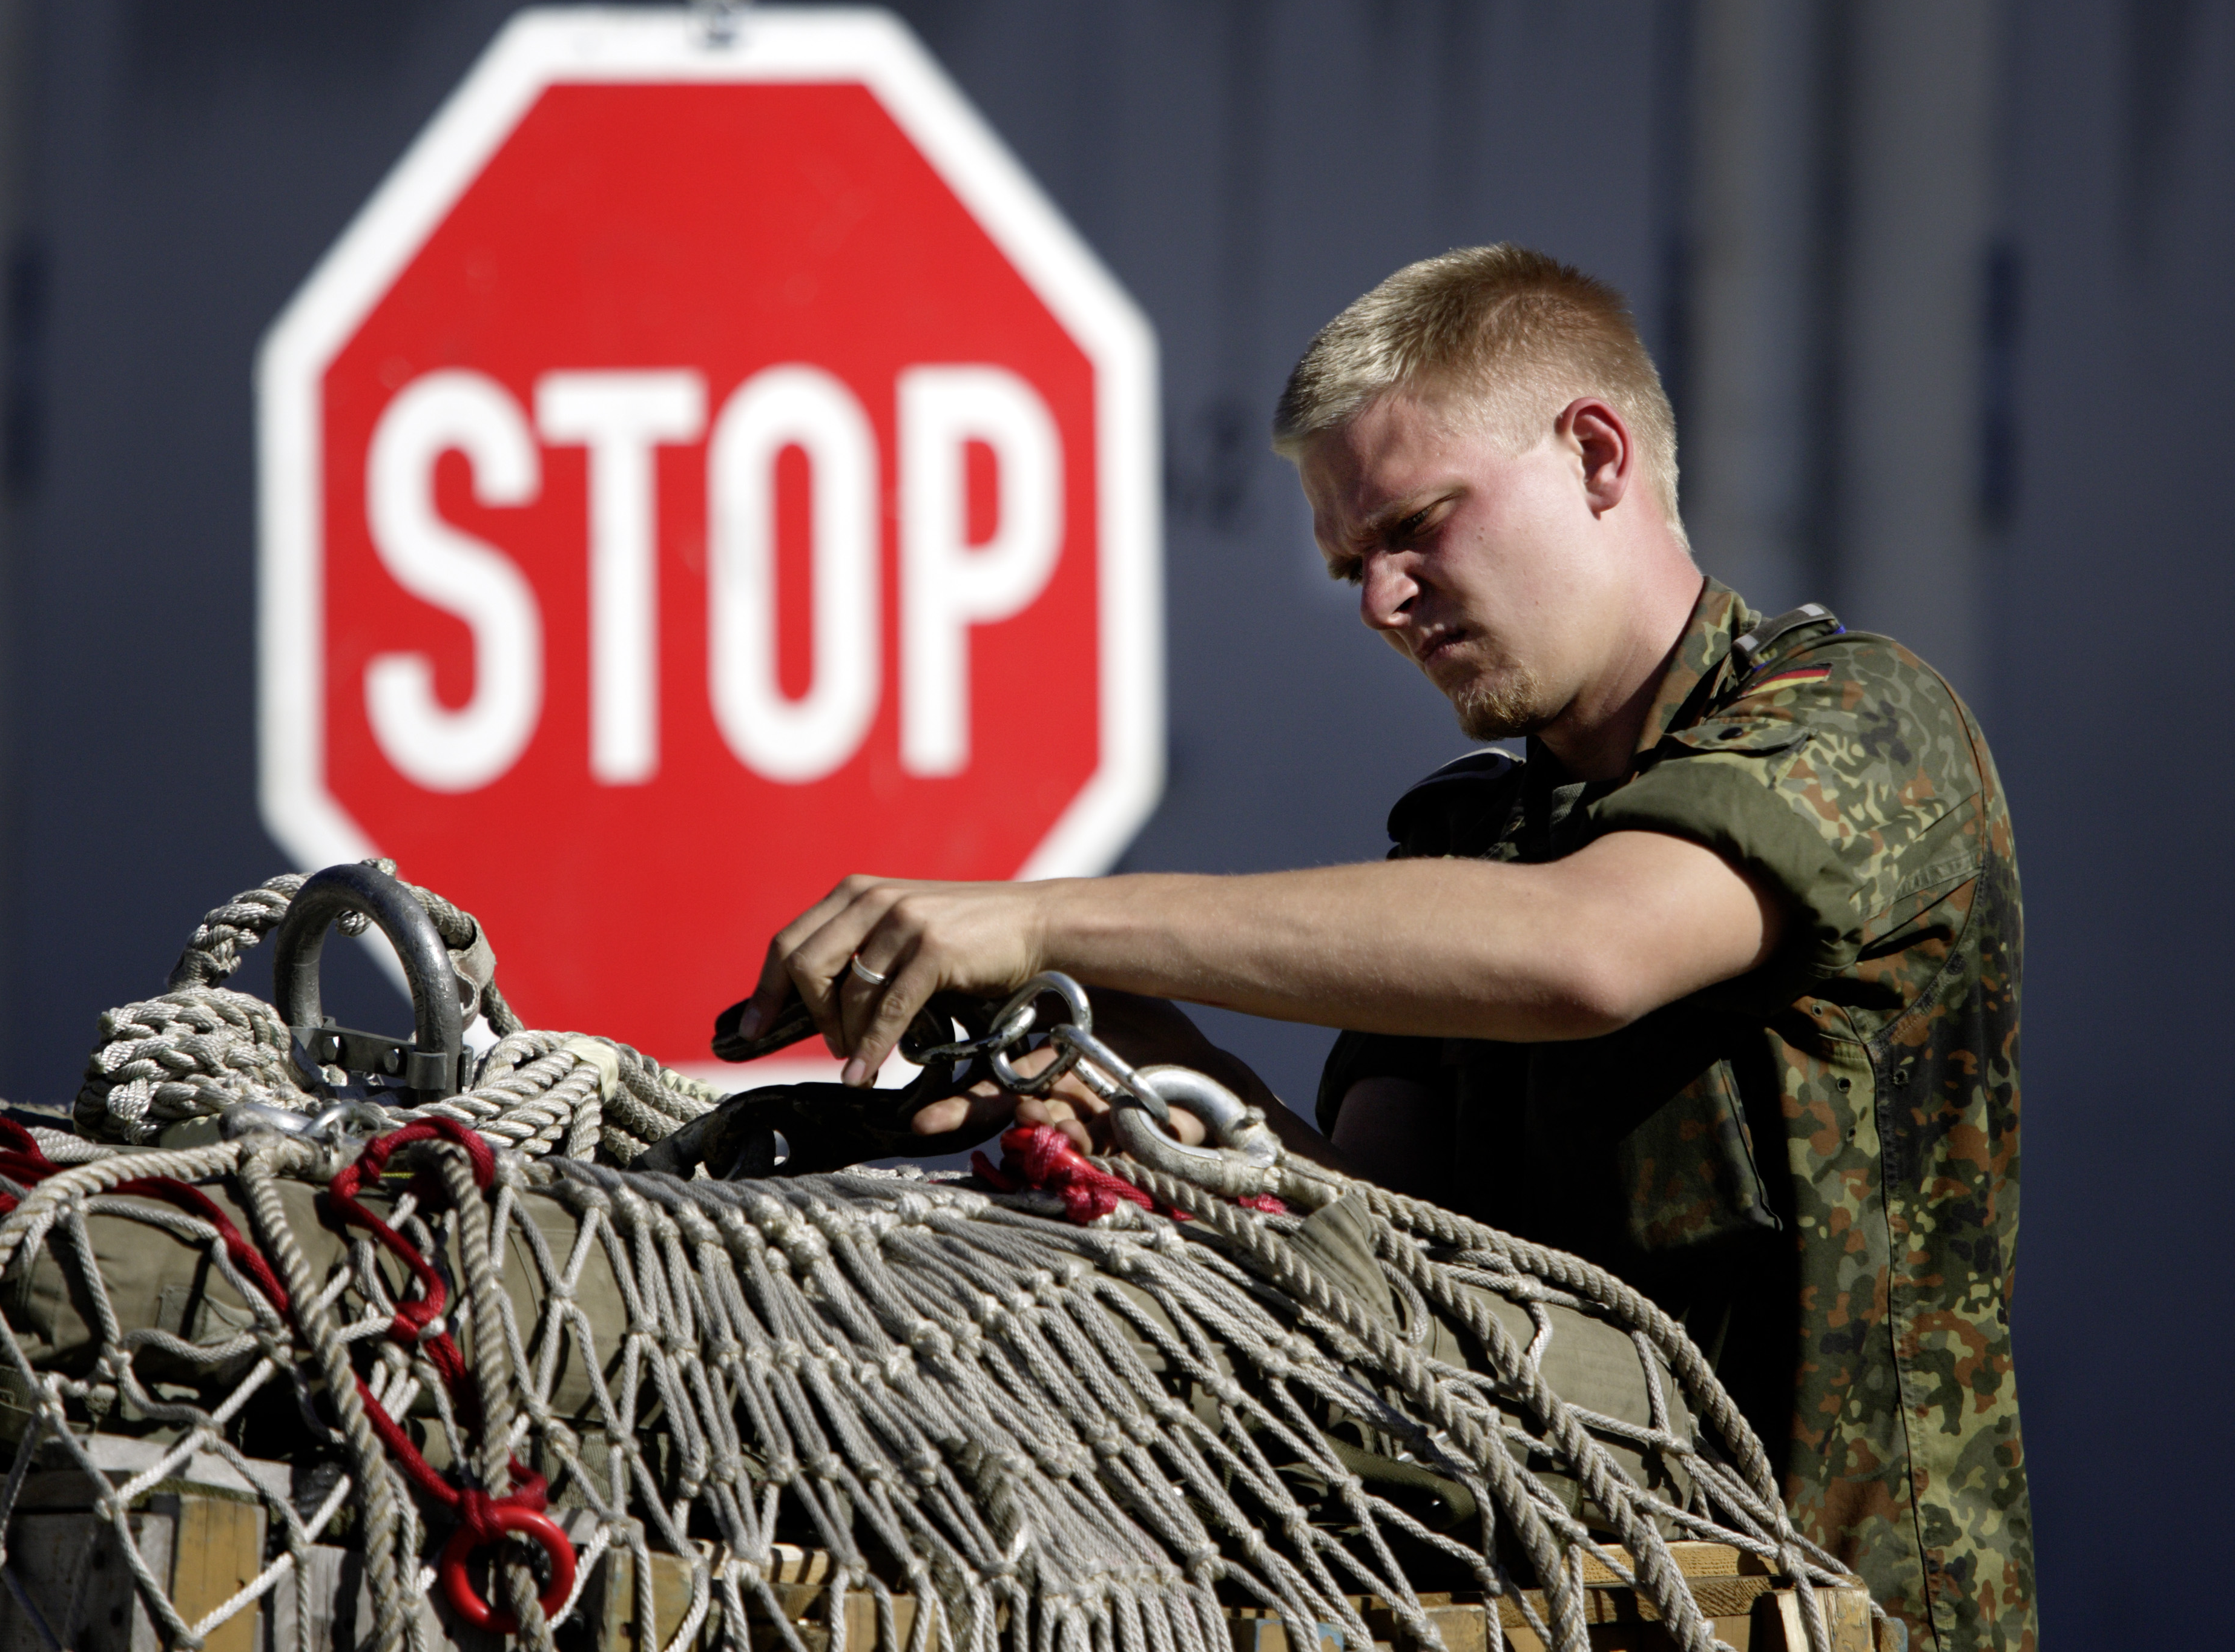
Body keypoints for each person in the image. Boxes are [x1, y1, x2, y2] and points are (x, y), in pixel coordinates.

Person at [736, 244, 2033, 1652]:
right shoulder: (1473, 849)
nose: (1380, 601)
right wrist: (1131, 1079)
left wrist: (1044, 912)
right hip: (1540, 1611)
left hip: (1827, 1620)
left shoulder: (1855, 720)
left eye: (1418, 525)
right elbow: (1382, 1257)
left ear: (1595, 454)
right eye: (1353, 563)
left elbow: (1583, 952)